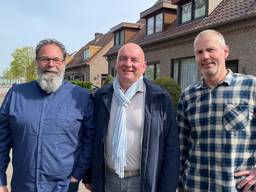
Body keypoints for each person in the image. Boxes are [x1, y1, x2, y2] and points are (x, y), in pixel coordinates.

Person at [0, 39, 94, 192]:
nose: (51, 64)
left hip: (63, 186)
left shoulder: (81, 97)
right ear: (37, 62)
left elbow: (90, 140)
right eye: (45, 59)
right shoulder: (16, 95)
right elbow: (1, 141)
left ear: (64, 63)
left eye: (56, 60)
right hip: (23, 185)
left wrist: (77, 175)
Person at [86, 43, 179, 192]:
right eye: (123, 59)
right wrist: (89, 175)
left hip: (144, 181)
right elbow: (92, 138)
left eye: (134, 60)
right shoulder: (101, 97)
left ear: (144, 66)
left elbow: (171, 146)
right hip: (108, 180)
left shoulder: (160, 99)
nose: (128, 64)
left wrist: (167, 186)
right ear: (116, 64)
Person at [177, 29, 256, 191]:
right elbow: (181, 147)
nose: (205, 56)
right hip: (194, 186)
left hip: (235, 187)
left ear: (225, 51)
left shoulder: (251, 87)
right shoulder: (188, 96)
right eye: (199, 52)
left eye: (210, 50)